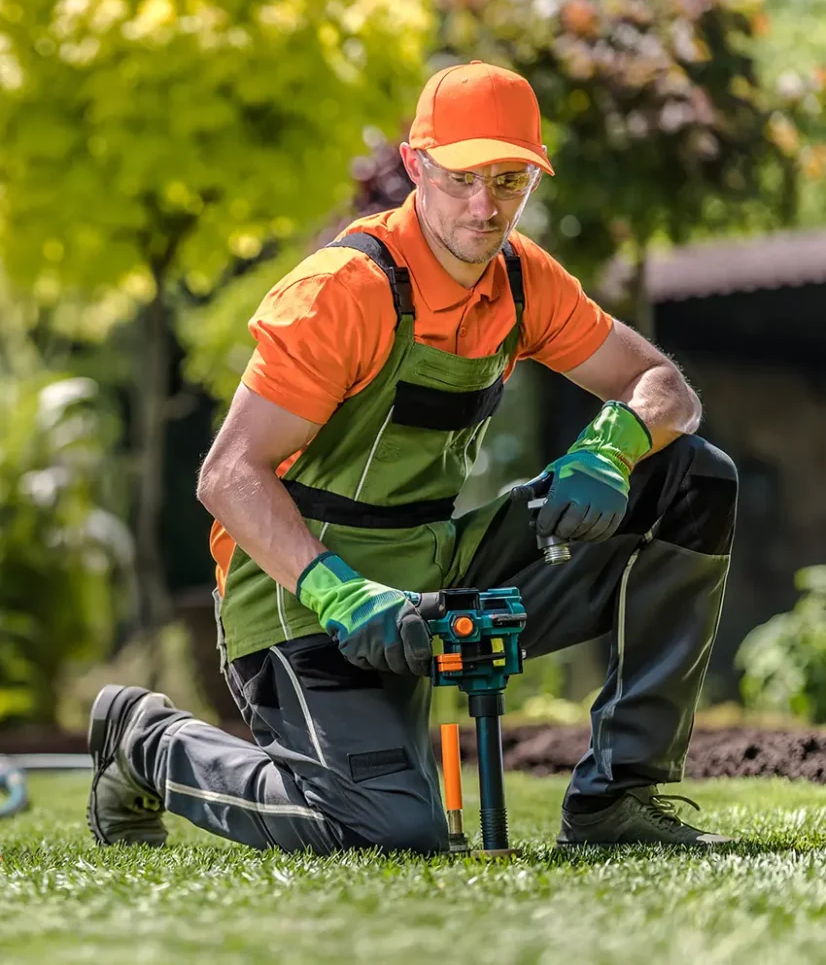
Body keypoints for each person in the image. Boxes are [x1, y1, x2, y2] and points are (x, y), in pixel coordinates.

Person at [86, 61, 737, 853]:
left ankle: (616, 799)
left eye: (508, 179)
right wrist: (340, 594)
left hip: (437, 570)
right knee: (391, 830)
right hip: (303, 597)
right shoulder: (343, 291)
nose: (484, 205)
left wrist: (611, 446)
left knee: (690, 476)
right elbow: (227, 475)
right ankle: (146, 739)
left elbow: (662, 385)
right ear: (415, 165)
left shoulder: (525, 281)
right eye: (462, 176)